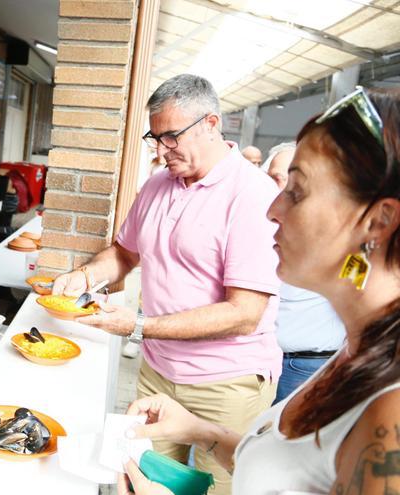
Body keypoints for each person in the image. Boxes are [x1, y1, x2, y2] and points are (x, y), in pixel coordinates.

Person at [118, 87, 400, 494]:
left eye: (297, 191)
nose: (273, 209)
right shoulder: (357, 352)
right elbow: (283, 472)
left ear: (378, 222)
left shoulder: (389, 417)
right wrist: (198, 430)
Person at [51, 74, 281, 495]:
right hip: (158, 370)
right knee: (146, 479)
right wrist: (85, 275)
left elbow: (245, 314)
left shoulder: (253, 194)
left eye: (171, 137)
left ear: (211, 124)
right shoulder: (158, 184)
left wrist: (138, 325)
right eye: (154, 138)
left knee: (219, 486)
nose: (160, 150)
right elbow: (123, 254)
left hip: (227, 381)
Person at [262, 142, 346, 404]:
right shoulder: (258, 226)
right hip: (254, 365)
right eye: (274, 178)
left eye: (295, 188)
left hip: (305, 367)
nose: (276, 203)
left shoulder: (346, 251)